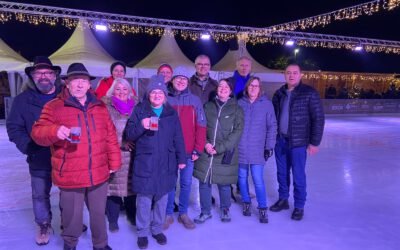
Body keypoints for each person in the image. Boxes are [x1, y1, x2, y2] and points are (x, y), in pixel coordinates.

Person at [31, 62, 121, 250]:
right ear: (67, 84)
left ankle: (101, 244)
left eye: (83, 80)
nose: (79, 85)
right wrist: (55, 131)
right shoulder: (54, 106)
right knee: (72, 215)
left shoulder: (100, 107)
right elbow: (37, 133)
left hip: (98, 172)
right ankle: (70, 244)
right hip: (70, 174)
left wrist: (114, 162)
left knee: (97, 214)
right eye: (75, 80)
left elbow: (110, 136)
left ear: (90, 85)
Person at [124, 75, 186, 249]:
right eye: (153, 92)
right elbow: (129, 135)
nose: (157, 95)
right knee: (144, 199)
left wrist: (181, 158)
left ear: (165, 95)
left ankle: (157, 229)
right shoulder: (140, 110)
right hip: (146, 161)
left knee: (162, 197)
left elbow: (178, 137)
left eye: (160, 92)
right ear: (148, 94)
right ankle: (142, 232)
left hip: (166, 161)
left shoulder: (171, 113)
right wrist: (142, 125)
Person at [6, 56, 61, 246]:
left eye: (47, 72)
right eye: (39, 72)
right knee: (39, 194)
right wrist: (29, 148)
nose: (43, 76)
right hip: (39, 156)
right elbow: (14, 127)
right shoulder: (22, 100)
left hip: (65, 155)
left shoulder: (65, 96)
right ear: (33, 76)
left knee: (69, 192)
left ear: (54, 76)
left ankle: (69, 223)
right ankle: (43, 224)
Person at [270, 63, 325, 221]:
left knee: (298, 175)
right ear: (284, 75)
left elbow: (318, 118)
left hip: (299, 143)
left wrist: (314, 142)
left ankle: (299, 206)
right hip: (281, 141)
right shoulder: (279, 93)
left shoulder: (309, 93)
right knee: (281, 173)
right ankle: (283, 199)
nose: (291, 75)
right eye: (288, 73)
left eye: (295, 73)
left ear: (301, 75)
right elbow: (273, 118)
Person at [193, 79, 244, 224]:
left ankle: (225, 209)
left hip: (224, 152)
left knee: (224, 183)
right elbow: (200, 127)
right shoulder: (208, 106)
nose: (222, 88)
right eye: (220, 86)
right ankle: (205, 211)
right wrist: (206, 144)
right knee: (204, 182)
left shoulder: (237, 109)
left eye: (226, 86)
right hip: (207, 152)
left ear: (230, 90)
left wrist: (219, 148)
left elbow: (237, 133)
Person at [164, 68, 206, 230]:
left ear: (188, 82)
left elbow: (201, 126)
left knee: (186, 182)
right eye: (177, 79)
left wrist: (198, 149)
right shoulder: (166, 98)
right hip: (170, 151)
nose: (181, 81)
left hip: (189, 151)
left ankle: (182, 213)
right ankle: (168, 214)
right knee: (170, 183)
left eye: (184, 79)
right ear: (172, 81)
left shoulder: (194, 100)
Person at [237, 76, 277, 223]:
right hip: (241, 148)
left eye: (256, 86)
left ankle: (262, 207)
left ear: (260, 88)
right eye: (251, 85)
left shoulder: (266, 104)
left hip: (258, 149)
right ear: (247, 87)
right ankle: (246, 202)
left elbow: (272, 126)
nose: (253, 88)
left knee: (258, 180)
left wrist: (269, 146)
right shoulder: (240, 103)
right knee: (241, 178)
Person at [103, 78, 137, 232]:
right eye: (118, 89)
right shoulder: (106, 107)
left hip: (134, 155)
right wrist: (121, 143)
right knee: (114, 189)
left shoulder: (136, 107)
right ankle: (113, 219)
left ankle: (132, 214)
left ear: (130, 91)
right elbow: (105, 132)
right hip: (115, 154)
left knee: (132, 187)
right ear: (112, 91)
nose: (122, 92)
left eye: (125, 89)